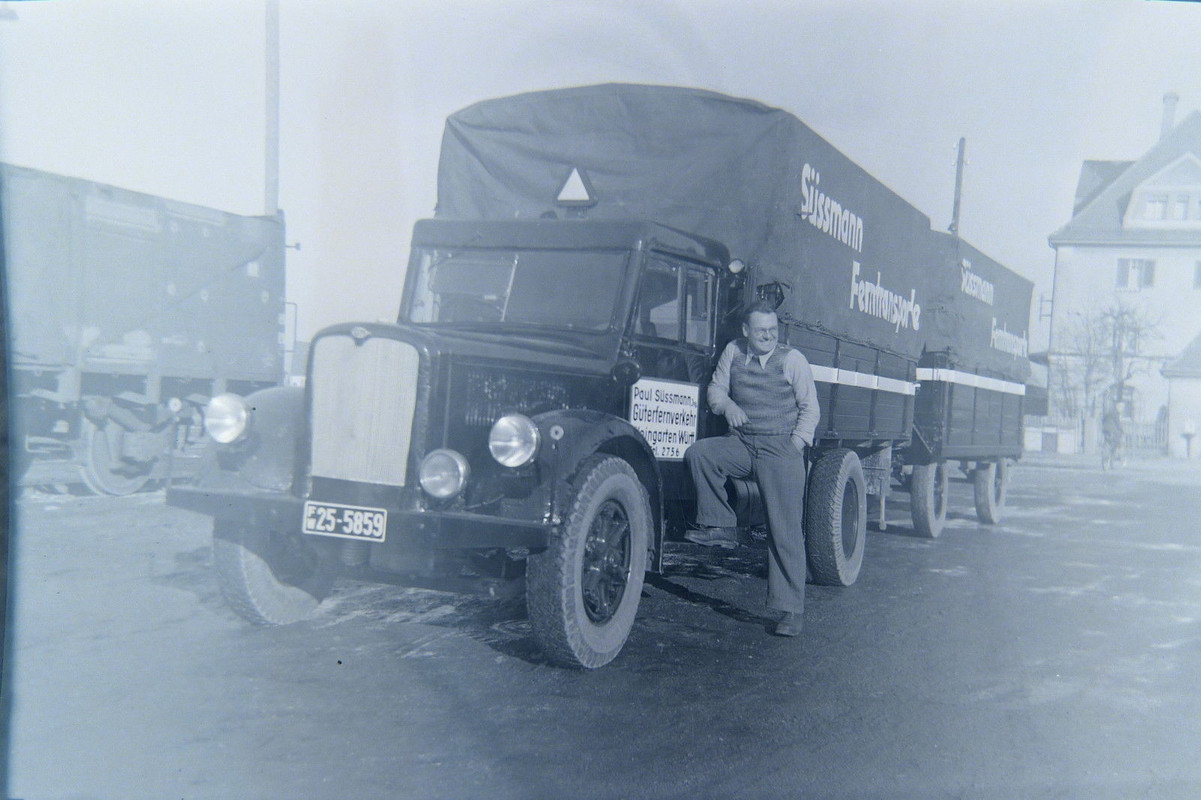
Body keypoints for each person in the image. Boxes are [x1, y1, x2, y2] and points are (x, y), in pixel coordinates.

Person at [684, 301, 819, 637]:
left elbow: (810, 409)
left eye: (773, 330)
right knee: (701, 454)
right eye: (761, 331)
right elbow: (715, 389)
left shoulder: (792, 360)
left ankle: (789, 610)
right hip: (744, 443)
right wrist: (727, 405)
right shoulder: (733, 352)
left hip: (780, 448)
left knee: (783, 530)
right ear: (746, 331)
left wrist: (795, 445)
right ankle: (720, 526)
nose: (768, 336)